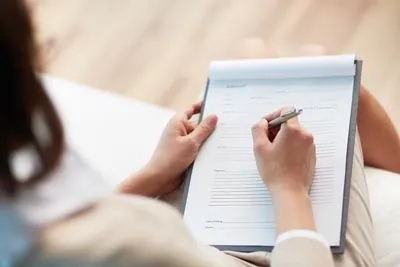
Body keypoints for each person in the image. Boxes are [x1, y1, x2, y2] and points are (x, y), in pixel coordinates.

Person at [1, 1, 400, 267]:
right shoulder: (110, 246)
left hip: (203, 245)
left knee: (254, 56)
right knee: (329, 77)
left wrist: (152, 176)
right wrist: (290, 189)